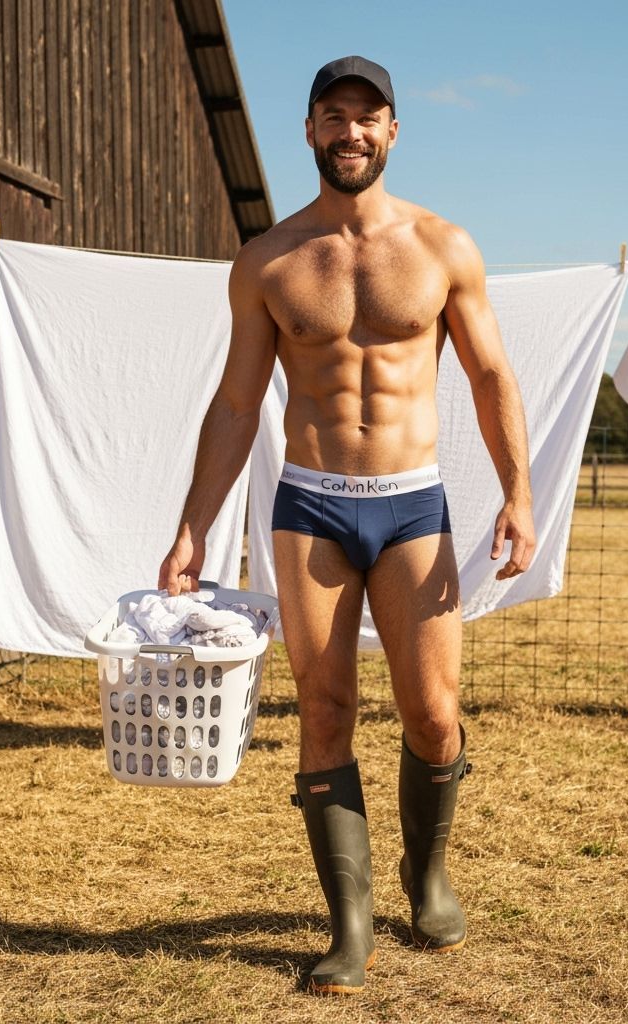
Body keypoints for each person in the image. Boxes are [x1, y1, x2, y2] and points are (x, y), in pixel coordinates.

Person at [159, 55, 535, 995]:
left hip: (411, 502)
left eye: (368, 118)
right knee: (324, 711)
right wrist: (194, 527)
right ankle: (349, 924)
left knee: (435, 715)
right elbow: (238, 404)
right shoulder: (270, 260)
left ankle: (427, 872)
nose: (351, 132)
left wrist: (520, 493)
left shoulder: (444, 248)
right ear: (312, 131)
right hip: (313, 506)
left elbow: (491, 379)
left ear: (393, 132)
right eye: (334, 116)